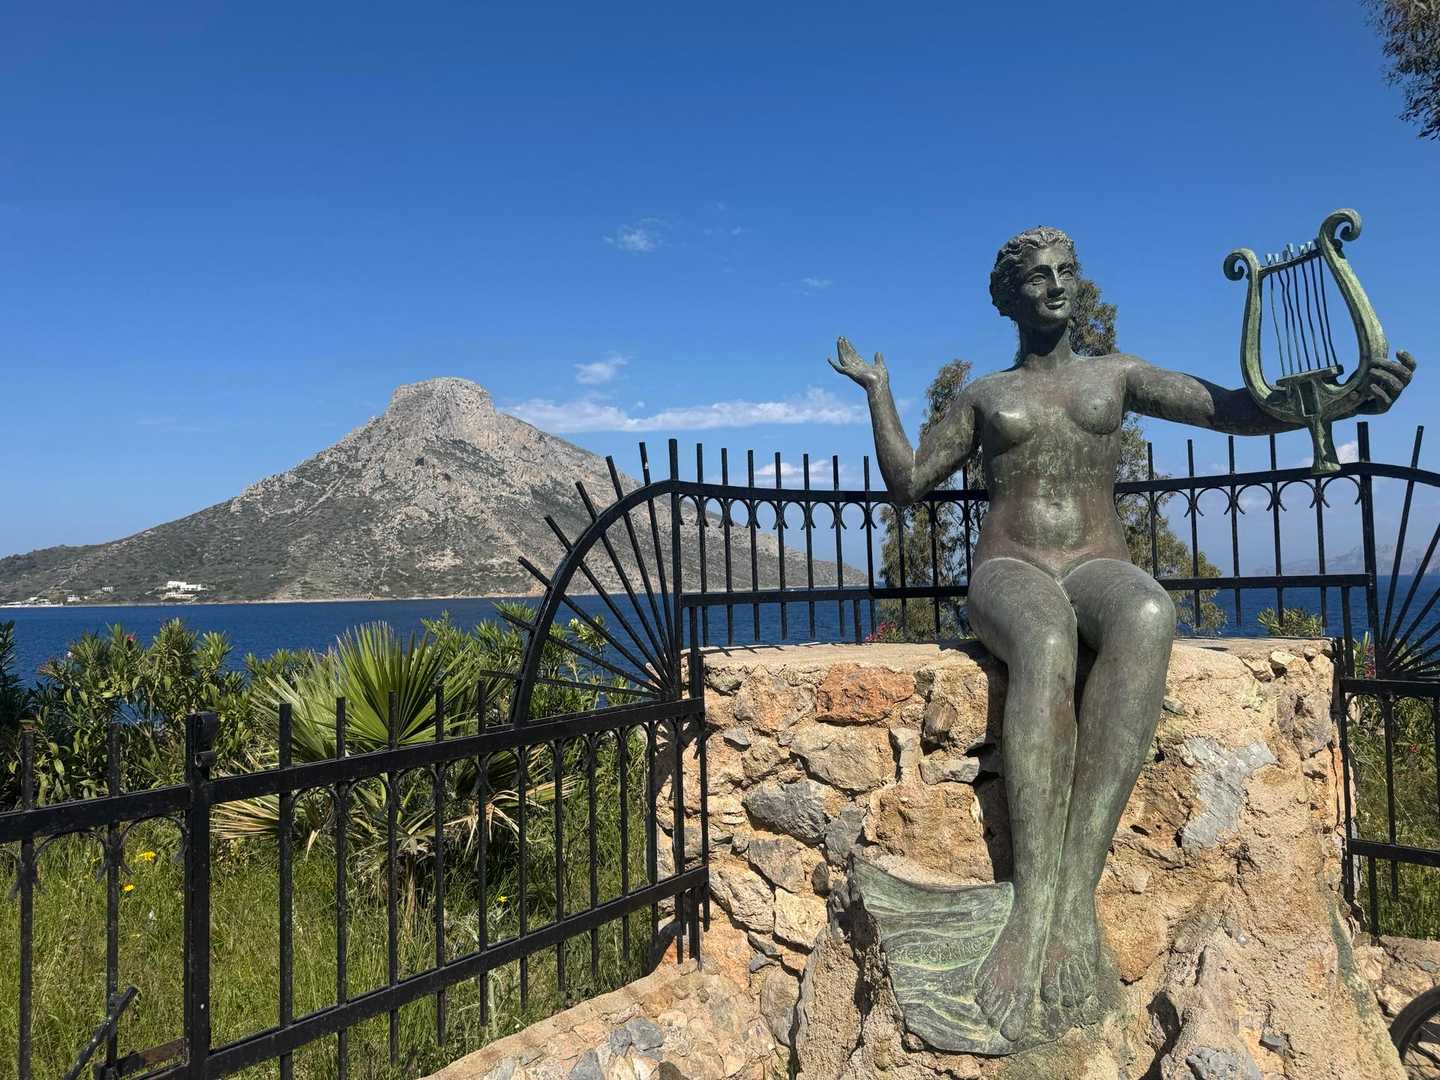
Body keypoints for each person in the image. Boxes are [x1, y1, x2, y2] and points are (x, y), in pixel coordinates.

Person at [828, 225, 1416, 1041]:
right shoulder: (985, 396)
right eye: (1037, 277)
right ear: (1008, 300)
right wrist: (878, 391)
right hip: (1010, 569)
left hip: (1096, 563)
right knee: (1044, 638)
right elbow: (907, 481)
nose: (1056, 285)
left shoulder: (1117, 373)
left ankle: (1070, 900)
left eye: (1066, 271)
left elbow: (1229, 407)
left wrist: (1342, 401)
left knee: (1148, 613)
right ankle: (1032, 909)